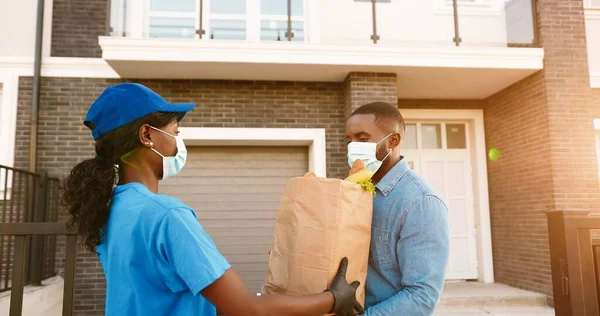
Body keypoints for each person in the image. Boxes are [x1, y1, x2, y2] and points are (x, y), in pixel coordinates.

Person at [61, 83, 363, 316]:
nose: (178, 142)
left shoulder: (111, 210)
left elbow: (164, 293)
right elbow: (245, 309)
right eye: (175, 132)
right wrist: (335, 298)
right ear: (146, 136)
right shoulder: (167, 215)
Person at [346, 102, 450, 315]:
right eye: (350, 139)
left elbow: (422, 296)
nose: (353, 146)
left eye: (363, 139)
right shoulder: (353, 189)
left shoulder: (421, 202)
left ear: (393, 140)